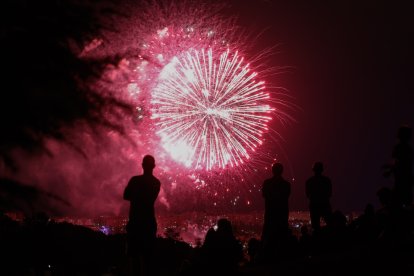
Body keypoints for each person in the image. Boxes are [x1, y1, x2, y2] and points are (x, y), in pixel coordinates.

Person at [124, 155, 161, 276]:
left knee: (134, 257)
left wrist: (136, 195)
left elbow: (126, 196)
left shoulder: (135, 180)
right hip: (149, 223)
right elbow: (149, 199)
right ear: (154, 166)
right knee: (148, 258)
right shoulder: (156, 183)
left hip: (135, 222)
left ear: (142, 165)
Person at [261, 163, 291, 250]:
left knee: (268, 237)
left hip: (270, 214)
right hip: (282, 215)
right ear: (282, 171)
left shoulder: (267, 183)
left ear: (272, 170)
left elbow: (264, 195)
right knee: (282, 238)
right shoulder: (286, 184)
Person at [306, 162, 332, 232]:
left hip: (314, 205)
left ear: (313, 170)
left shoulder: (309, 181)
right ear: (322, 169)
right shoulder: (327, 180)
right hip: (325, 204)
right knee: (330, 224)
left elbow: (307, 195)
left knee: (315, 227)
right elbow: (329, 194)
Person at [391, 126, 413, 207]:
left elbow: (397, 163)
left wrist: (390, 170)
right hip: (406, 180)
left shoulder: (399, 148)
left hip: (401, 180)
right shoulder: (408, 149)